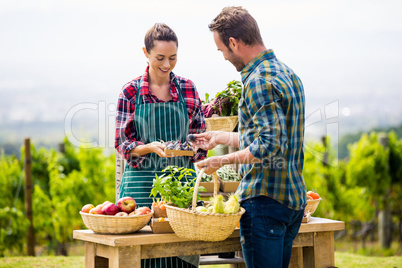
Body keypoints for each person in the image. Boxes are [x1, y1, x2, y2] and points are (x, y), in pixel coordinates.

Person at [193, 6, 307, 268]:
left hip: (264, 203)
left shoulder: (257, 81)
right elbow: (276, 136)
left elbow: (269, 145)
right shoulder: (288, 74)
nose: (223, 57)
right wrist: (220, 137)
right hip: (292, 201)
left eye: (222, 50)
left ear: (234, 42)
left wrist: (219, 162)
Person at [115, 23, 207, 268]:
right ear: (145, 53)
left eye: (173, 57)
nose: (167, 65)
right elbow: (123, 143)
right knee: (142, 256)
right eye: (160, 58)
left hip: (182, 189)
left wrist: (197, 148)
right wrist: (149, 147)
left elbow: (199, 136)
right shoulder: (131, 92)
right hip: (141, 188)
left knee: (182, 255)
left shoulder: (187, 88)